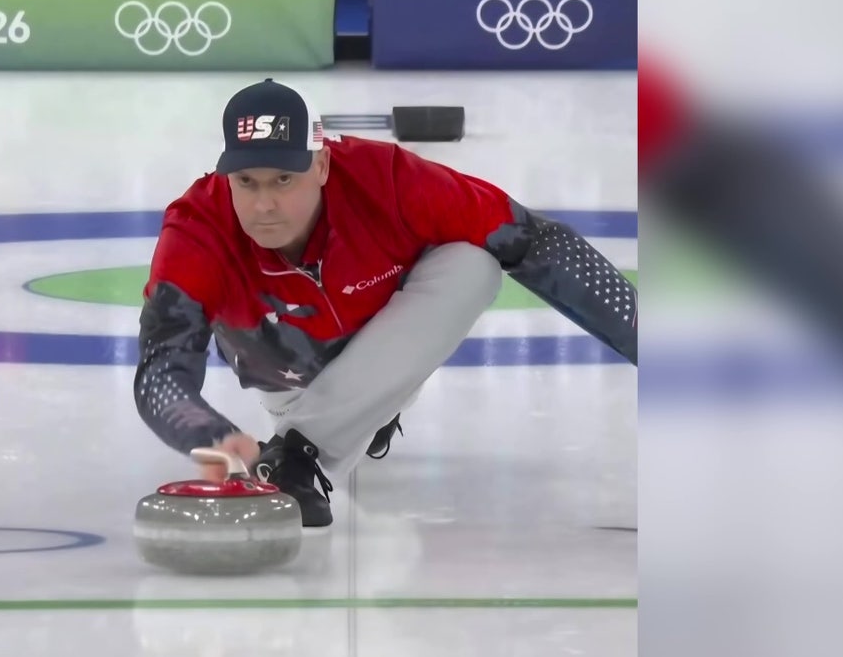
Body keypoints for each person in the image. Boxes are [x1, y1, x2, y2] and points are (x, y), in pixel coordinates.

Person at [135, 78, 637, 527]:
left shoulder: (388, 179)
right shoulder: (197, 226)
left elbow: (536, 241)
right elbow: (159, 372)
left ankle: (301, 450)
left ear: (323, 163)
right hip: (286, 380)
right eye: (247, 182)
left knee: (474, 262)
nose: (264, 205)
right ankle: (350, 418)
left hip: (387, 350)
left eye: (283, 180)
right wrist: (213, 435)